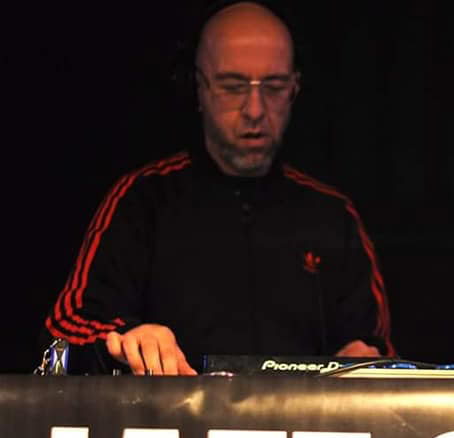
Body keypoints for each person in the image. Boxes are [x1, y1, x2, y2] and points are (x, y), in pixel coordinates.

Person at [44, 1, 393, 375]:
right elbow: (64, 332)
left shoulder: (332, 216)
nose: (255, 109)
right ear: (198, 86)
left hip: (304, 414)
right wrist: (128, 337)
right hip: (172, 412)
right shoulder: (143, 200)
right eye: (232, 87)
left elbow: (378, 349)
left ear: (295, 88)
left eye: (274, 87)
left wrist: (367, 358)